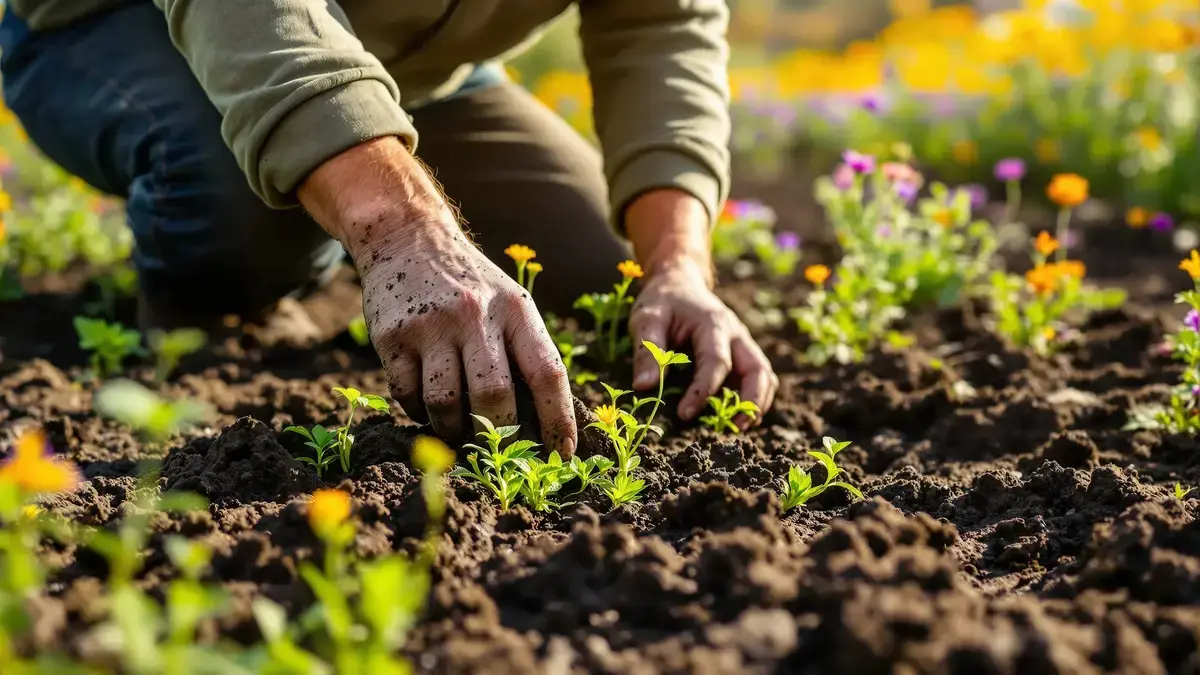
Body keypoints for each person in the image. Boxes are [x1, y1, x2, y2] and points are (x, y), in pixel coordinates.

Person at [0, 0, 778, 457]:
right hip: (123, 25)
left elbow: (661, 28)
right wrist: (400, 231)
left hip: (415, 68)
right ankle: (231, 300)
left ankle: (354, 169)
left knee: (605, 275)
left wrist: (677, 265)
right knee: (242, 205)